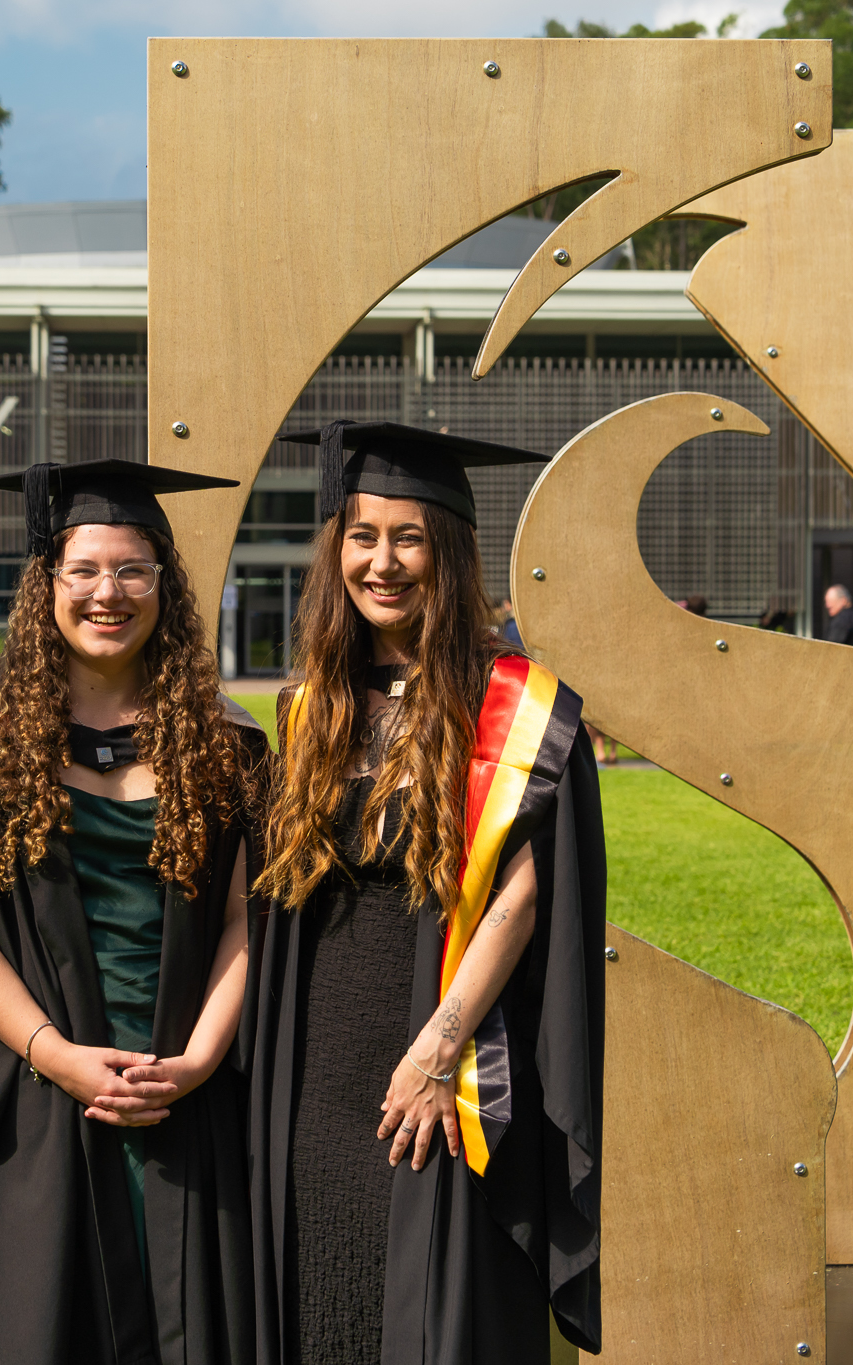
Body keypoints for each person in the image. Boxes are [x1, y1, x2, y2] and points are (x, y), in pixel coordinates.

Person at [251, 421, 606, 1365]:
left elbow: (522, 897)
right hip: (317, 1068)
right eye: (362, 536)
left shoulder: (514, 704)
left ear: (446, 549)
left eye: (409, 537)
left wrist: (438, 1052)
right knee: (325, 1297)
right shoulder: (311, 703)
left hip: (441, 1051)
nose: (383, 561)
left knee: (432, 1301)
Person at [0, 460, 261, 1365]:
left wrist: (193, 1063)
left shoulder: (228, 747)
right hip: (38, 1102)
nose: (107, 593)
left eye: (132, 570)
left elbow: (244, 922)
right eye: (83, 570)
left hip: (186, 1107)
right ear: (48, 585)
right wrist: (56, 1054)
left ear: (164, 586)